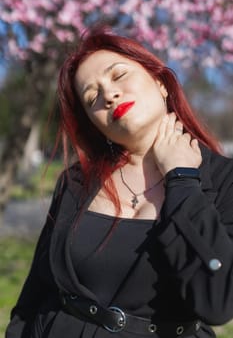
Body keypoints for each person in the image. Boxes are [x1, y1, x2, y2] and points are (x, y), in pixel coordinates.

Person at [5, 27, 233, 338]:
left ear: (160, 82)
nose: (109, 95)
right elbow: (35, 294)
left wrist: (182, 179)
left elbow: (218, 302)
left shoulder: (224, 181)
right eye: (92, 96)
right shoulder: (76, 182)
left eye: (119, 75)